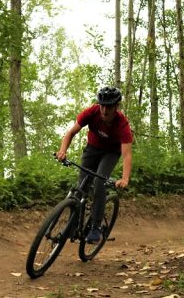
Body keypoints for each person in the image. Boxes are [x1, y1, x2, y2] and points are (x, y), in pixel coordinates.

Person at [56, 86, 133, 243]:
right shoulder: (91, 112)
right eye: (102, 105)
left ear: (116, 106)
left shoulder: (122, 124)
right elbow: (70, 133)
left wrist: (125, 178)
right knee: (81, 188)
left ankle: (95, 228)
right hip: (92, 149)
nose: (104, 110)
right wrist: (62, 151)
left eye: (109, 106)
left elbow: (127, 155)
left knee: (99, 184)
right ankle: (72, 226)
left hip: (111, 153)